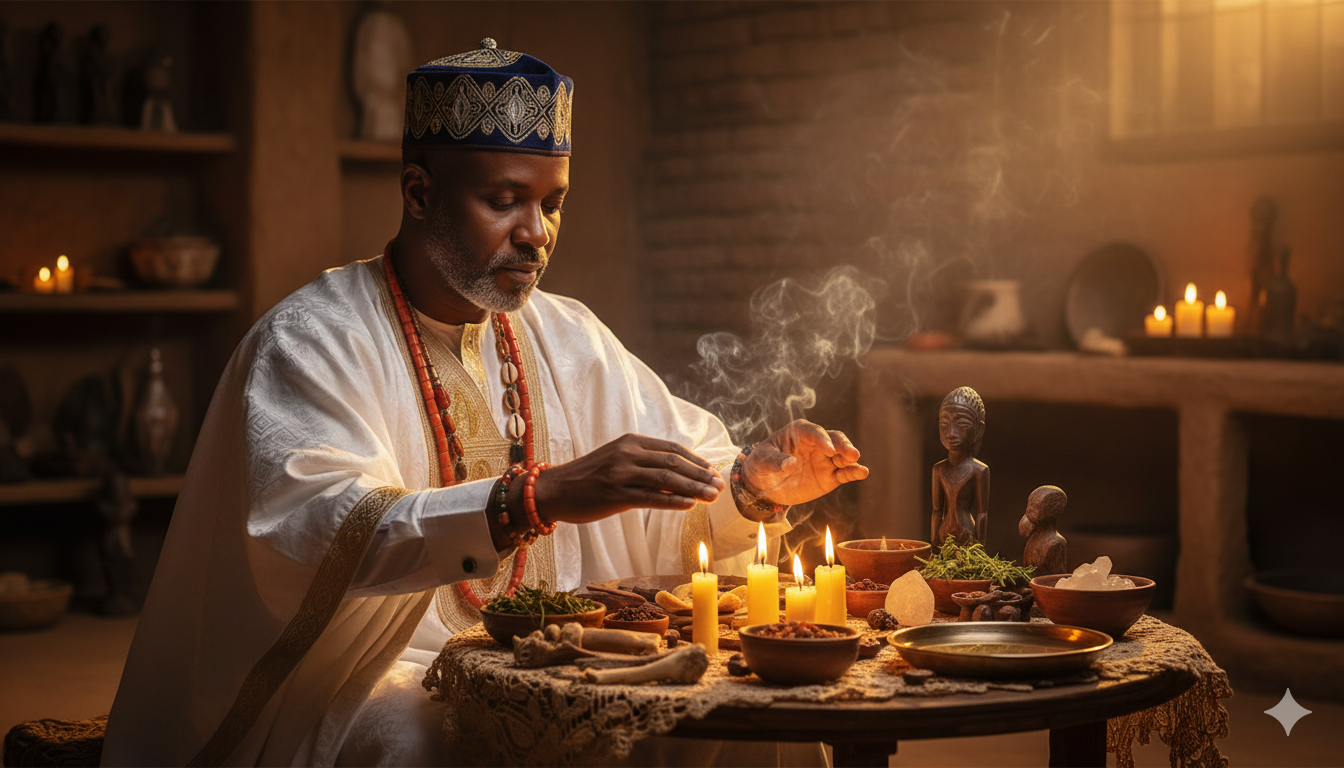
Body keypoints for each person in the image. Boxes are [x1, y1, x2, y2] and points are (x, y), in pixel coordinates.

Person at [102, 39, 868, 767]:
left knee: (740, 721)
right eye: (505, 201)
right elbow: (320, 526)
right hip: (381, 668)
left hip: (569, 652)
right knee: (422, 739)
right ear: (419, 192)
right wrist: (539, 495)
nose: (537, 234)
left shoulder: (569, 336)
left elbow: (675, 496)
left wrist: (749, 489)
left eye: (553, 203)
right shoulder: (310, 340)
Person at [930, 386, 988, 549]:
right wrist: (934, 542)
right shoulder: (939, 469)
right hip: (943, 536)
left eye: (962, 424)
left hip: (967, 535)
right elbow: (936, 511)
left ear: (979, 428)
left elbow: (982, 513)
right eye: (944, 424)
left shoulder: (979, 470)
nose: (951, 433)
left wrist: (980, 546)